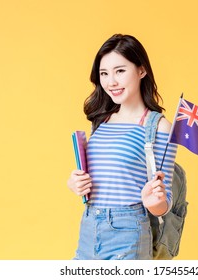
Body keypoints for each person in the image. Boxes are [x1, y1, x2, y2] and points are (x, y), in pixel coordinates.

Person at [67, 34, 177, 260]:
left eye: (120, 71)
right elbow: (102, 177)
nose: (111, 82)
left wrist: (154, 203)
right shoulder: (101, 120)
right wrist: (75, 183)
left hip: (128, 231)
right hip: (89, 226)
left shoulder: (159, 126)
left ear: (141, 70)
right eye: (104, 73)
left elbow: (164, 203)